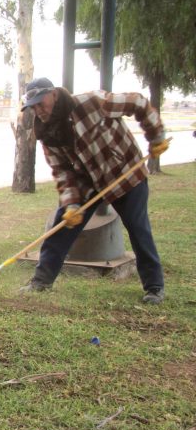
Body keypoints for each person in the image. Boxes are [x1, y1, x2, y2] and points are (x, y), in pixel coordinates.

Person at [19, 77, 168, 304]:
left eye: (41, 103)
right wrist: (71, 205)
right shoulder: (46, 132)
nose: (38, 111)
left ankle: (154, 287)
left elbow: (138, 102)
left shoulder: (93, 102)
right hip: (88, 183)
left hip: (126, 173)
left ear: (54, 95)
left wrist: (156, 136)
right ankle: (41, 282)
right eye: (33, 107)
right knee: (61, 227)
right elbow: (62, 172)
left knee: (139, 230)